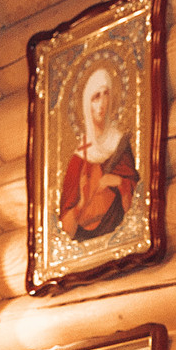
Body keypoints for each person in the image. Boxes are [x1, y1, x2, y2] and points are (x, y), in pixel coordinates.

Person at [56, 65, 136, 243]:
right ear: (86, 105)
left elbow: (137, 202)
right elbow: (66, 229)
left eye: (106, 94)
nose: (101, 104)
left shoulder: (119, 144)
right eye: (95, 97)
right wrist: (82, 203)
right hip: (85, 235)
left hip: (116, 231)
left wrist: (118, 182)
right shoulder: (78, 158)